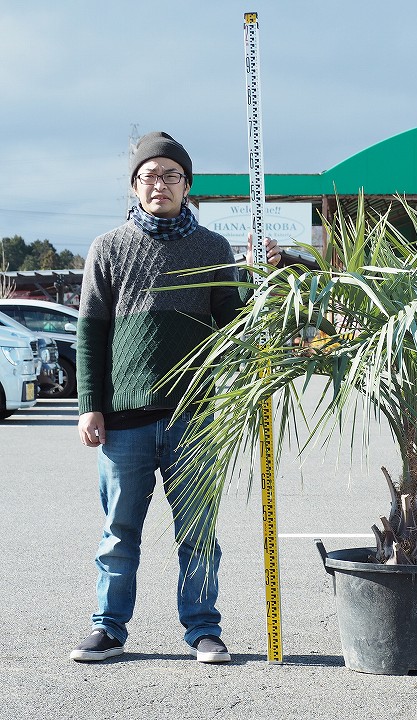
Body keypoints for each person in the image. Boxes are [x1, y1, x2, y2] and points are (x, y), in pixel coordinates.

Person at [70, 131, 280, 663]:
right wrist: (89, 404)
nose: (158, 184)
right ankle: (108, 627)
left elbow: (235, 325)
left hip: (196, 414)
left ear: (187, 185)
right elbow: (90, 333)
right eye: (148, 176)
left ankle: (203, 630)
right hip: (124, 420)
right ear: (134, 186)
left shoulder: (212, 247)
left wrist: (271, 281)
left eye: (170, 175)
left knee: (199, 534)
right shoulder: (109, 248)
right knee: (119, 532)